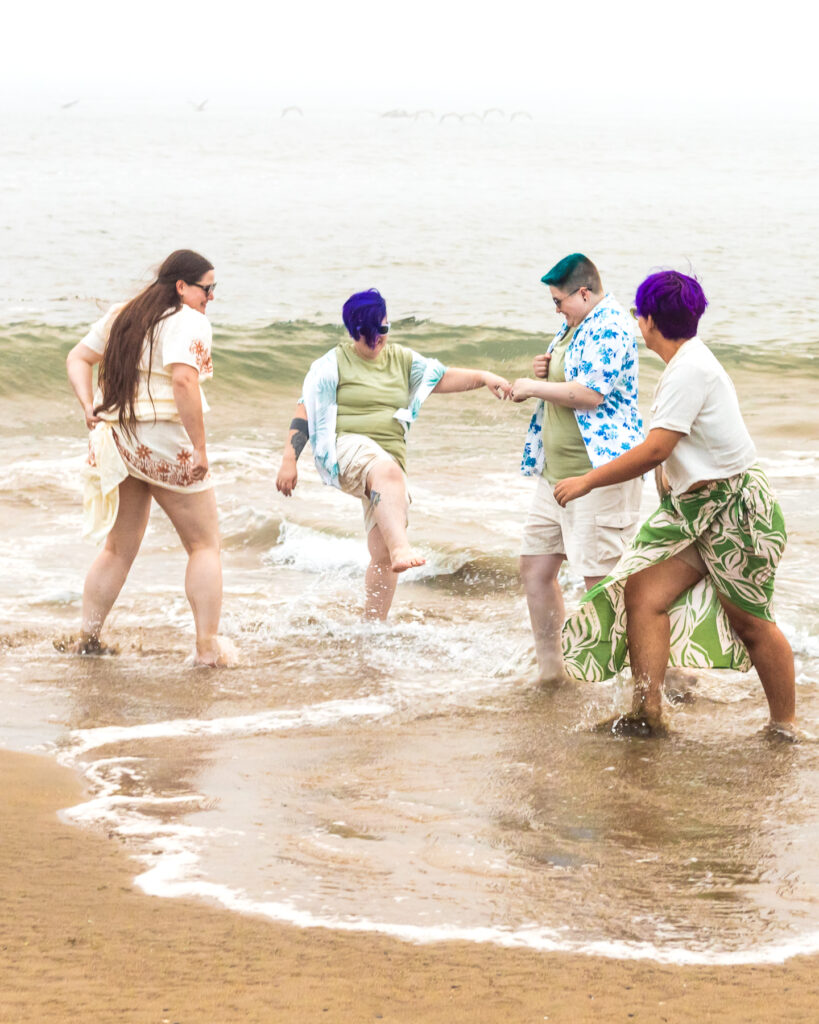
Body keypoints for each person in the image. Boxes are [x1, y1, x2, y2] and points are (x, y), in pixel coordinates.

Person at [554, 270, 795, 736]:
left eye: (636, 315)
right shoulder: (686, 362)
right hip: (695, 512)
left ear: (647, 321)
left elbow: (656, 449)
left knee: (751, 622)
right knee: (642, 593)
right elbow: (677, 446)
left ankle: (784, 728)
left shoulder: (689, 370)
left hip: (735, 512)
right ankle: (648, 713)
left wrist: (587, 481)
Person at [276, 288, 511, 620]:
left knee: (382, 552)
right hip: (345, 449)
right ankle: (404, 548)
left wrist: (484, 377)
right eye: (368, 334)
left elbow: (442, 378)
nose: (377, 340)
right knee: (387, 475)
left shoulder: (402, 359)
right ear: (353, 330)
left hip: (387, 464)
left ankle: (373, 626)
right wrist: (289, 459)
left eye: (383, 330)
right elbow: (305, 409)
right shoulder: (332, 364)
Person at [65, 249, 230, 666]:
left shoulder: (126, 313)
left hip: (118, 438)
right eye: (207, 289)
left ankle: (87, 638)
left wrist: (88, 404)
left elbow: (78, 357)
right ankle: (207, 649)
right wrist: (200, 447)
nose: (210, 298)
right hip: (165, 440)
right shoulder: (190, 320)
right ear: (181, 287)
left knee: (118, 549)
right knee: (204, 545)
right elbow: (183, 380)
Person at [509, 254, 644, 683]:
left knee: (602, 587)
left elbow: (589, 394)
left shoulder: (611, 324)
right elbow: (571, 376)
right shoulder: (575, 324)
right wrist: (546, 368)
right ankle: (553, 672)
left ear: (583, 292)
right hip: (556, 475)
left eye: (559, 300)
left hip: (597, 475)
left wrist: (533, 387)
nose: (556, 309)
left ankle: (650, 677)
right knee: (535, 568)